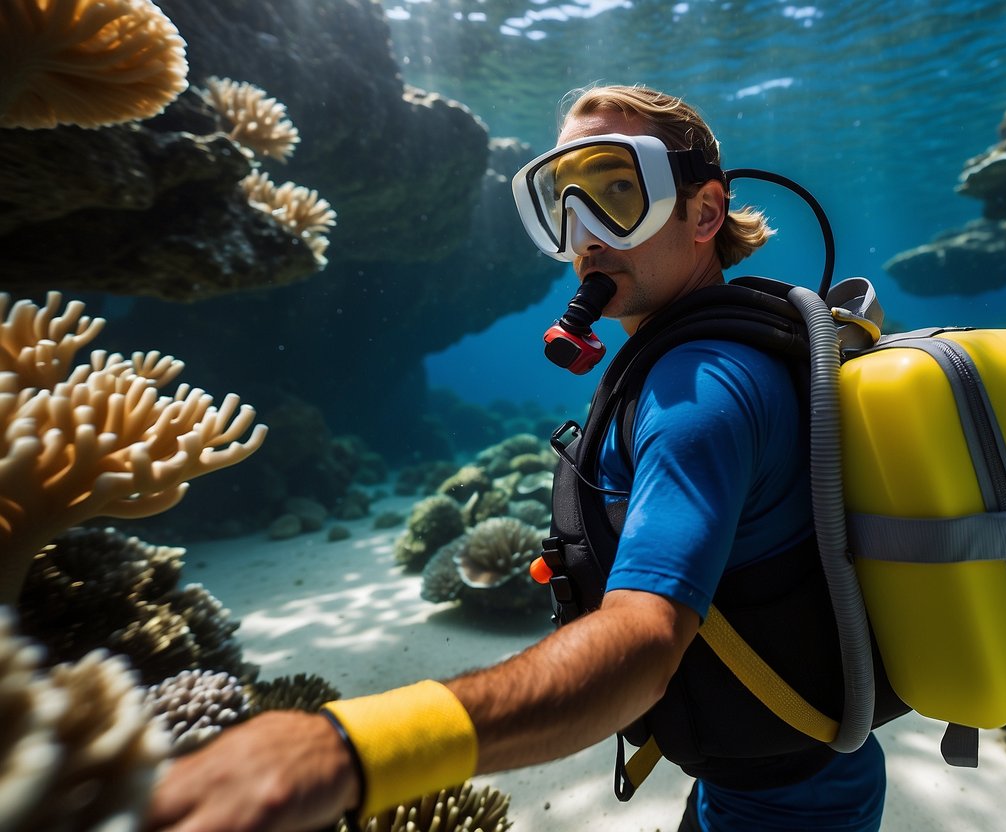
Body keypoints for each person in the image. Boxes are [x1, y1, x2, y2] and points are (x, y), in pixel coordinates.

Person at [143, 84, 886, 832]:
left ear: (703, 213)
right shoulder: (707, 354)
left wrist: (352, 751)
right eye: (563, 201)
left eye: (616, 193)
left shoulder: (699, 392)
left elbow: (645, 643)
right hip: (769, 775)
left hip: (790, 804)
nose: (585, 234)